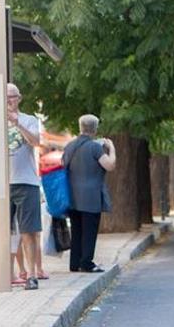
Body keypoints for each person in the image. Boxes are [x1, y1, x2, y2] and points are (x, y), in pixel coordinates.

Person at [63, 114, 115, 273]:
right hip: (91, 197)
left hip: (72, 195)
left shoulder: (70, 146)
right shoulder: (94, 147)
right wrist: (111, 148)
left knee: (77, 230)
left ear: (80, 127)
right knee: (89, 231)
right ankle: (86, 262)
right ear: (95, 128)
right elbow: (110, 165)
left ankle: (74, 263)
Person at [6, 83, 42, 291]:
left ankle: (32, 274)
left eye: (12, 97)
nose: (8, 101)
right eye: (5, 97)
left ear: (19, 98)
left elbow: (36, 142)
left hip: (26, 181)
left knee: (28, 231)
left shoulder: (29, 120)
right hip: (3, 183)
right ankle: (7, 273)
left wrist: (17, 123)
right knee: (6, 231)